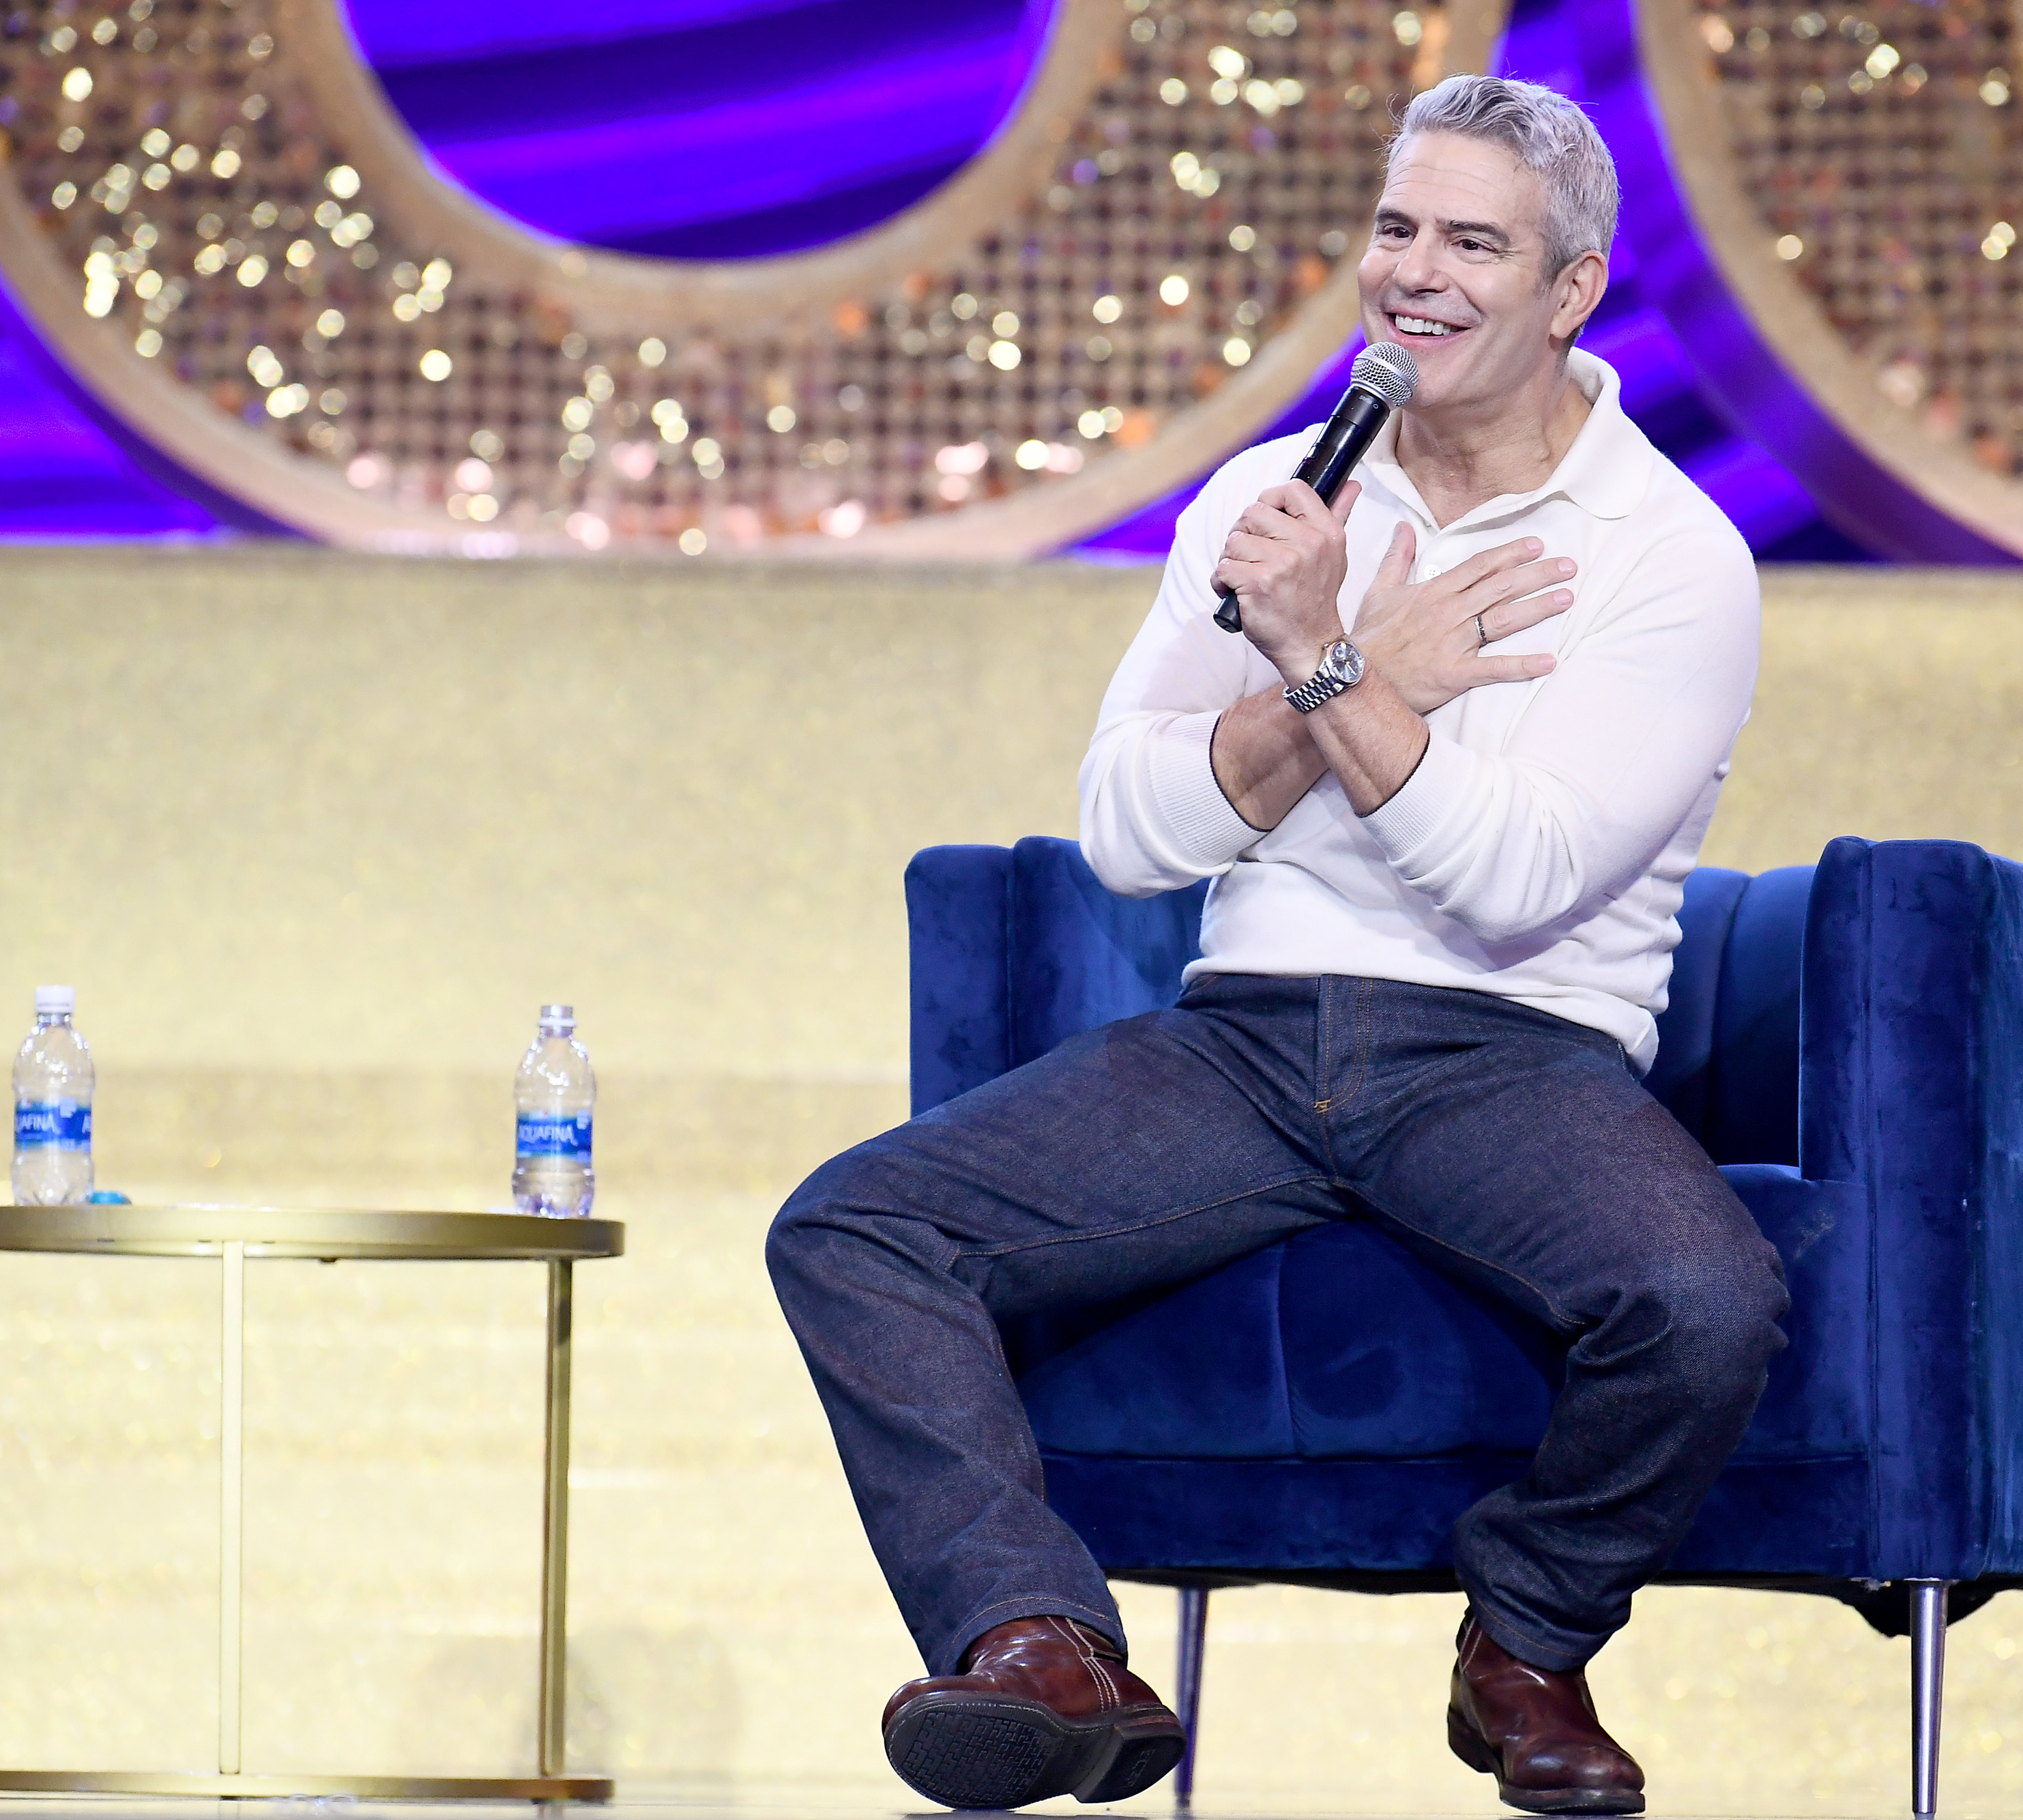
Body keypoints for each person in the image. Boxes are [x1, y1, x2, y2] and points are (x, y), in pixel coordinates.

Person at [766, 72, 1789, 1816]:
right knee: (854, 1228)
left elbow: (1519, 879)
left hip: (1507, 1047)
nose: (1415, 274)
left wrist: (1325, 666)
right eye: (1397, 227)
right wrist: (1328, 666)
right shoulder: (1277, 499)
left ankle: (1525, 1635)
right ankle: (1041, 1645)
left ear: (1568, 289)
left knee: (1702, 1300)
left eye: (1474, 241)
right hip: (1242, 1037)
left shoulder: (1668, 556)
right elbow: (1126, 823)